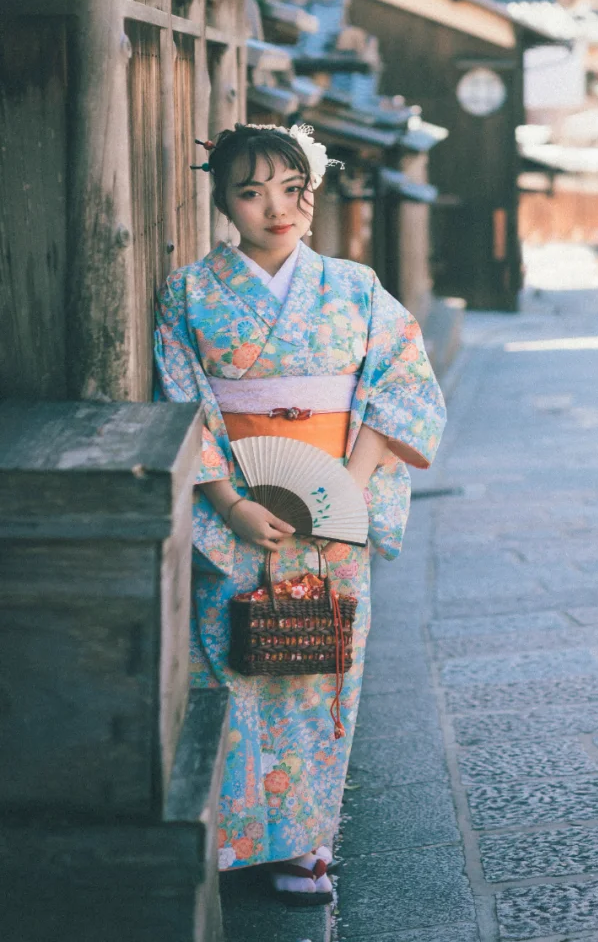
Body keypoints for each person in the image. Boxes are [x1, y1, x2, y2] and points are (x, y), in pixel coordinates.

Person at [154, 123, 445, 906]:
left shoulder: (354, 286)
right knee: (235, 665)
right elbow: (186, 403)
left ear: (312, 196)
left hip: (332, 516)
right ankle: (238, 838)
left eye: (291, 189)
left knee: (324, 669)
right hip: (238, 516)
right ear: (222, 203)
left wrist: (344, 488)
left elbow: (403, 388)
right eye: (250, 192)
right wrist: (230, 501)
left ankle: (309, 840)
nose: (274, 207)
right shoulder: (190, 292)